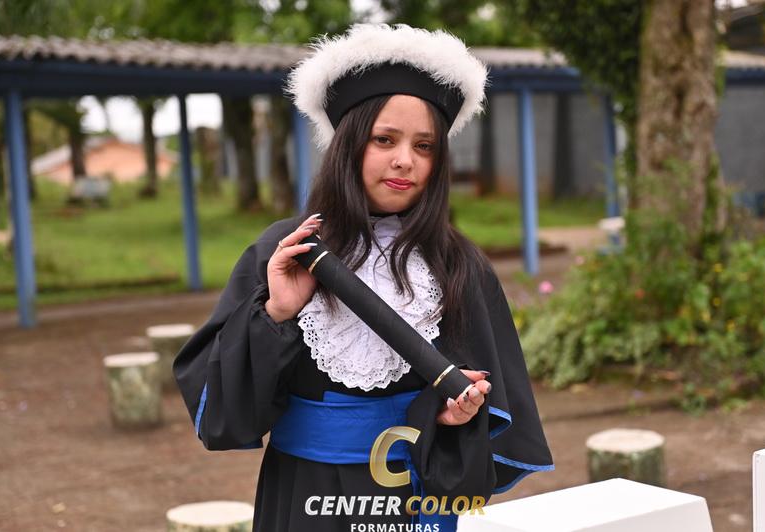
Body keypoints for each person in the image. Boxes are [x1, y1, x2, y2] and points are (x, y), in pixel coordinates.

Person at [173, 24, 553, 532]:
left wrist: (452, 417)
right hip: (303, 497)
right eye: (384, 139)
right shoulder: (288, 250)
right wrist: (276, 313)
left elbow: (487, 421)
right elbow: (226, 415)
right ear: (348, 145)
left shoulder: (458, 264)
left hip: (410, 497)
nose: (405, 161)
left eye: (424, 146)